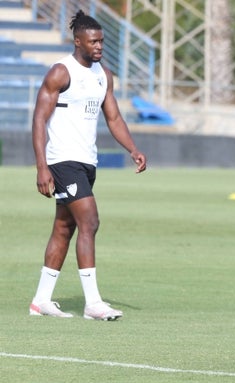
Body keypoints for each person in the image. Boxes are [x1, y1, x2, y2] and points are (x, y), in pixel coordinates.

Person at [30, 10, 147, 321]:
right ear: (77, 41)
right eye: (93, 41)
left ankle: (41, 300)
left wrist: (133, 149)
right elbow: (39, 120)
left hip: (87, 162)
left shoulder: (103, 75)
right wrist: (42, 167)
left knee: (64, 227)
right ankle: (93, 303)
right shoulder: (60, 73)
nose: (99, 46)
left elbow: (114, 118)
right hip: (62, 160)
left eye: (102, 41)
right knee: (90, 221)